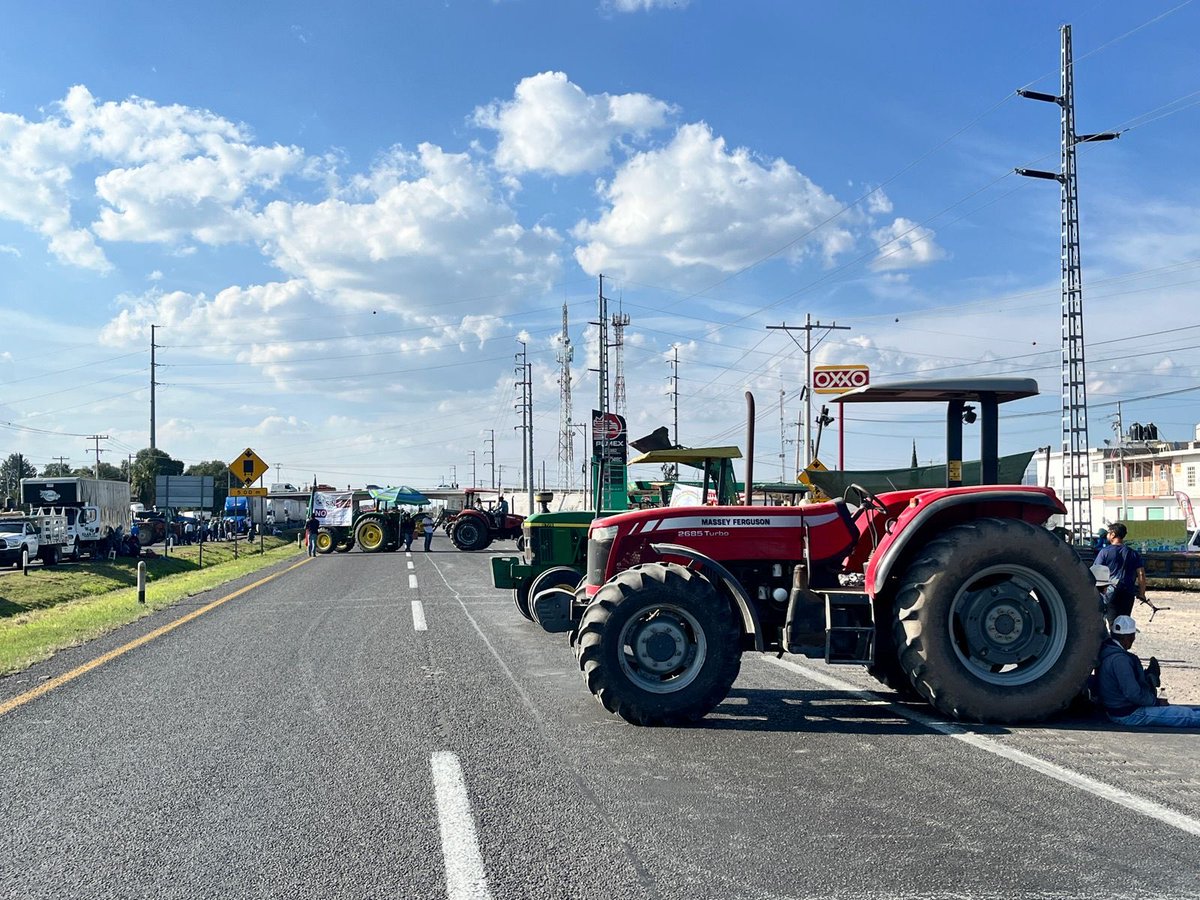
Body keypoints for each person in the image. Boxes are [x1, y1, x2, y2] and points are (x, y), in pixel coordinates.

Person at [1095, 615, 1200, 727]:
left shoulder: (1107, 651)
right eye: (1132, 637)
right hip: (1128, 713)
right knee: (1185, 716)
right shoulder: (1120, 660)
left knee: (1183, 712)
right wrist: (1156, 702)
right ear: (1127, 637)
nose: (1133, 640)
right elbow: (1133, 693)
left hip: (1118, 708)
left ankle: (1147, 680)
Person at [1094, 522, 1146, 623]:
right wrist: (1142, 593)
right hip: (1128, 592)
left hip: (1110, 592)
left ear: (1113, 534)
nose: (1107, 535)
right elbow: (1141, 574)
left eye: (1108, 533)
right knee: (1124, 622)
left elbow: (1096, 571)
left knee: (1112, 622)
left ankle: (1114, 638)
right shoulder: (1133, 553)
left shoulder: (1104, 552)